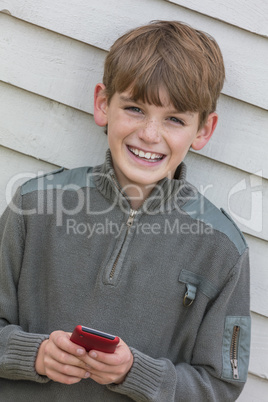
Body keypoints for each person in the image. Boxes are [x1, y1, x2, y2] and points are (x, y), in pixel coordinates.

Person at [0, 20, 251, 401]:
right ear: (103, 103)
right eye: (134, 108)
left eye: (175, 119)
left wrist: (138, 373)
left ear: (203, 130)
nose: (150, 134)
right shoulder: (34, 205)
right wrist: (33, 355)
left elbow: (220, 387)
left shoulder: (222, 249)